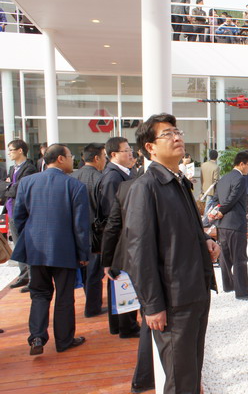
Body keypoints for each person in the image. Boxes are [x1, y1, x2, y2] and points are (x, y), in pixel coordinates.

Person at [123, 113, 220, 393]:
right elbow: (139, 252)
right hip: (174, 300)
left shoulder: (179, 182)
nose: (177, 137)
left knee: (191, 371)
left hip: (195, 290)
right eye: (167, 134)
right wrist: (152, 305)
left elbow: (182, 229)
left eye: (177, 132)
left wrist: (205, 240)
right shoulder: (146, 188)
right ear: (150, 147)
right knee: (180, 380)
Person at [12, 144, 89, 355]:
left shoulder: (27, 182)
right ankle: (64, 341)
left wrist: (31, 238)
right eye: (70, 155)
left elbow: (18, 217)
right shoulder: (75, 186)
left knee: (39, 294)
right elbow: (80, 226)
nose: (73, 159)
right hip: (65, 250)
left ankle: (37, 337)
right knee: (64, 297)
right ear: (60, 159)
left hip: (36, 249)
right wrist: (83, 254)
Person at [102, 156, 154, 394]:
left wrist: (107, 260)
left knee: (130, 297)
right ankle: (144, 376)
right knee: (148, 308)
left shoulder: (124, 187)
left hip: (125, 253)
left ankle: (124, 327)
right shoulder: (155, 187)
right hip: (149, 257)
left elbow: (113, 225)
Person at [97, 136, 140, 339]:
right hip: (119, 239)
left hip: (121, 238)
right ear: (113, 154)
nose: (130, 153)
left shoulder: (125, 173)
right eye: (126, 150)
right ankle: (125, 326)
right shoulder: (113, 177)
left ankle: (121, 324)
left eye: (130, 149)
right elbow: (111, 218)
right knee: (122, 281)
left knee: (120, 282)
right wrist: (108, 254)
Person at [213, 151, 248, 300]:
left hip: (222, 225)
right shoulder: (240, 179)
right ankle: (242, 291)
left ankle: (228, 285)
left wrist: (217, 212)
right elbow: (233, 197)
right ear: (241, 164)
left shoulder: (224, 178)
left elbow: (216, 198)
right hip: (236, 223)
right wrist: (222, 211)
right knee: (240, 257)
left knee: (225, 256)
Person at [71, 142, 107, 318]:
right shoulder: (100, 179)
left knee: (85, 271)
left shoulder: (72, 177)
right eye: (104, 156)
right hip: (94, 233)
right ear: (97, 158)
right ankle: (92, 308)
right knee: (94, 272)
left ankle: (90, 302)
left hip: (75, 232)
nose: (105, 160)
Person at [5, 139, 38, 293]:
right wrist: (9, 187)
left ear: (20, 150)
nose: (9, 153)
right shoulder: (12, 168)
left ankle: (32, 278)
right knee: (18, 245)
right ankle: (23, 275)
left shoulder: (29, 169)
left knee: (27, 245)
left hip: (23, 212)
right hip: (11, 210)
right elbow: (9, 189)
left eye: (11, 150)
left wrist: (8, 186)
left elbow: (17, 190)